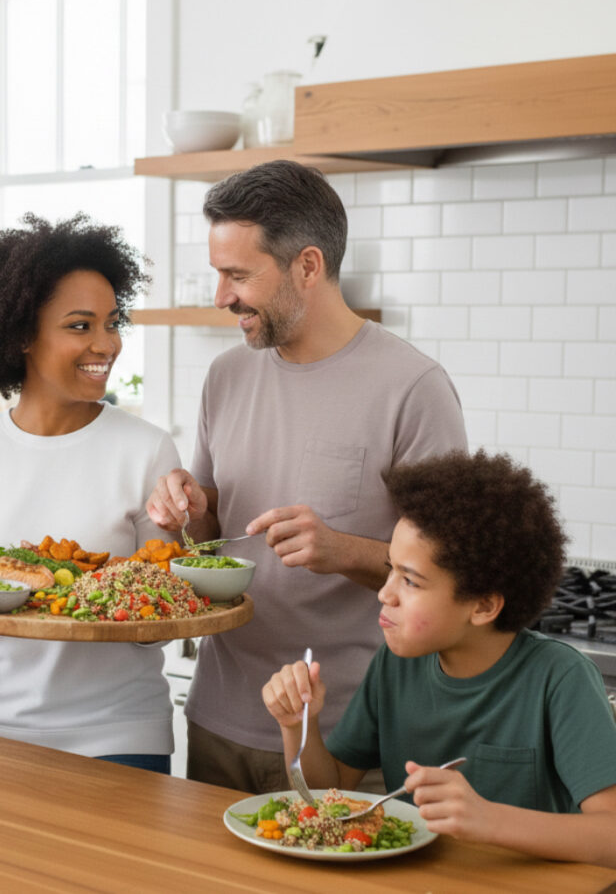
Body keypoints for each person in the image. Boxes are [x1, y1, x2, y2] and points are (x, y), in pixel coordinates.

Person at [146, 159, 468, 793]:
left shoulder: (413, 388)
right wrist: (190, 508)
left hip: (347, 738)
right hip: (219, 719)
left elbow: (452, 574)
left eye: (238, 275)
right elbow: (211, 541)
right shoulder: (227, 376)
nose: (221, 297)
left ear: (309, 266)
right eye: (218, 273)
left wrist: (340, 550)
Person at [261, 449, 616, 868]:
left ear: (483, 606)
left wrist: (487, 819)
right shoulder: (395, 665)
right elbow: (333, 789)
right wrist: (298, 725)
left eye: (410, 581)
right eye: (390, 569)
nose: (384, 593)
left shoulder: (560, 678)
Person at [0, 212, 180, 772]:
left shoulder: (148, 451)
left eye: (112, 323)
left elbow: (156, 627)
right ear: (20, 336)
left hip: (120, 726)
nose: (105, 344)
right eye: (80, 326)